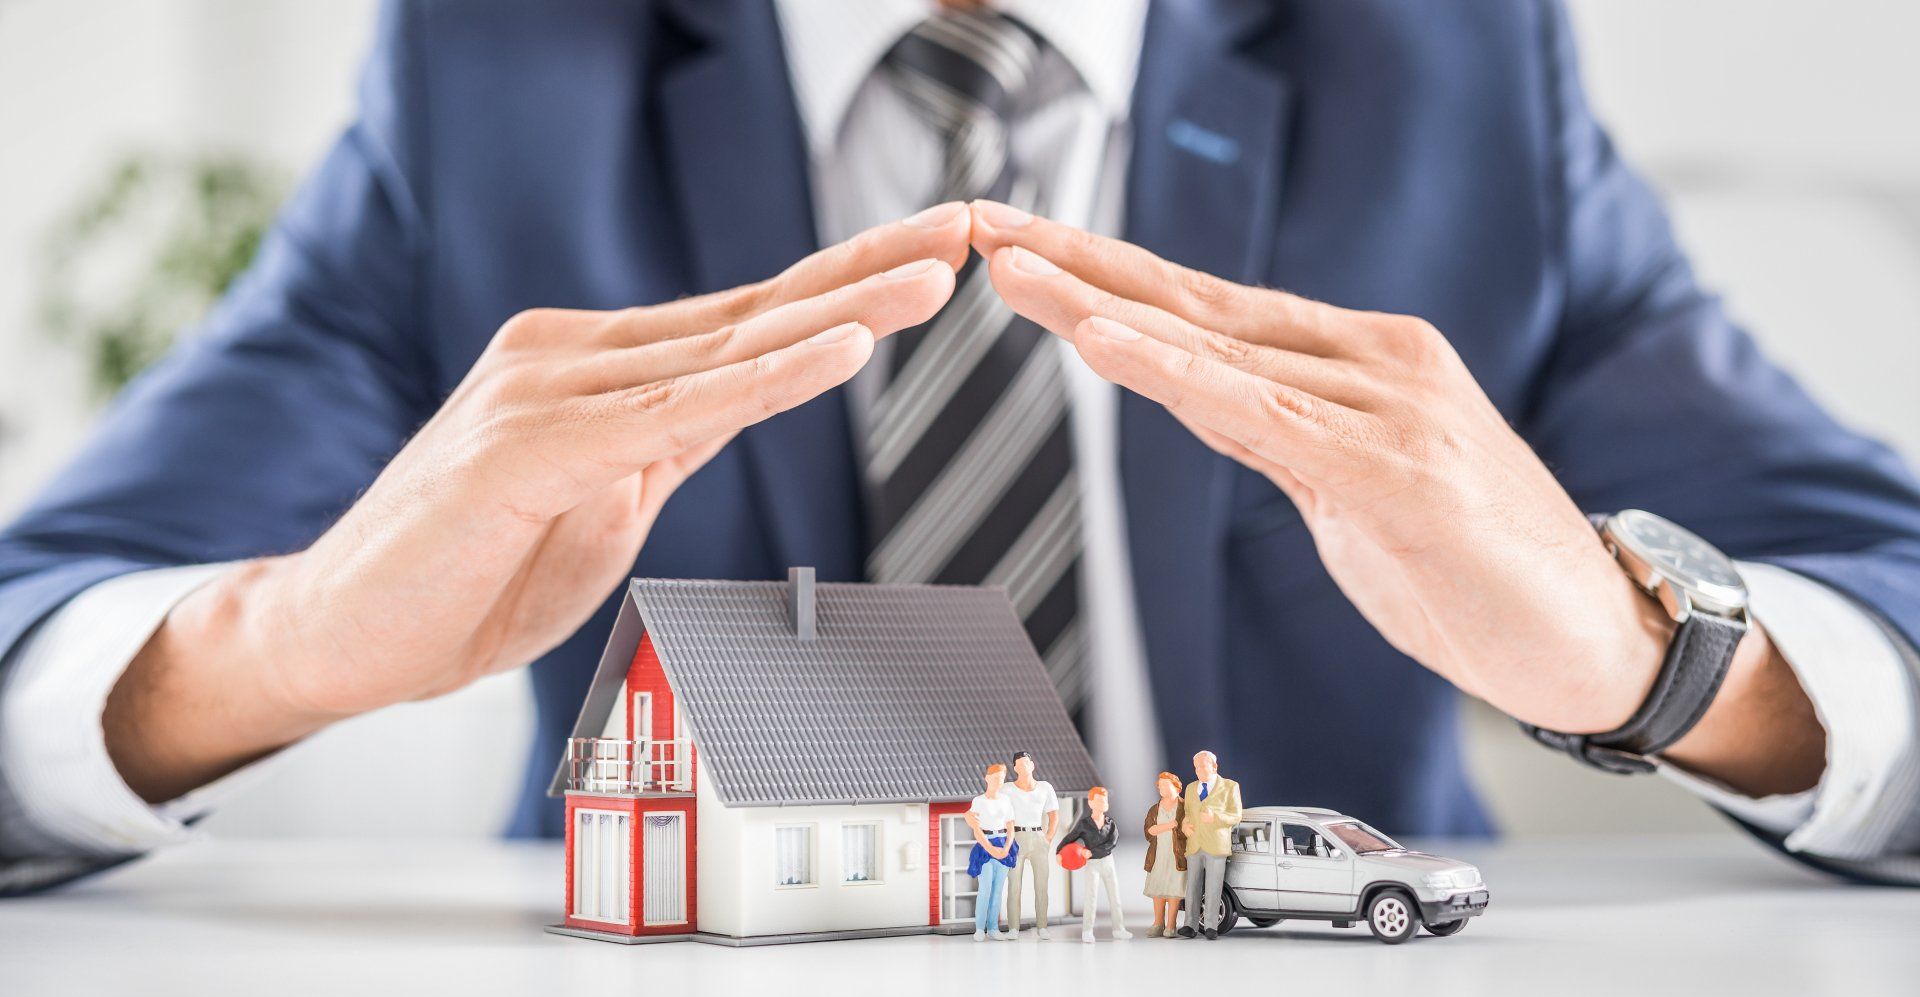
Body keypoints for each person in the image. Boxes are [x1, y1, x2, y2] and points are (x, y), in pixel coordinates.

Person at [6, 0, 1920, 895]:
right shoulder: (489, 65)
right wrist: (279, 648)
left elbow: (1884, 597)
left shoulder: (1458, 60)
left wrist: (1647, 658)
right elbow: (43, 611)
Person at [1178, 751, 1241, 940]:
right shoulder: (1190, 788)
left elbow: (1236, 815)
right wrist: (1184, 825)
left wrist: (1215, 818)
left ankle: (1212, 926)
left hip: (1216, 844)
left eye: (1203, 766)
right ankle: (1190, 924)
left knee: (1214, 887)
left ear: (1214, 767)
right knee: (1192, 886)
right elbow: (1187, 812)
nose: (1199, 770)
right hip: (1195, 844)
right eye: (1196, 767)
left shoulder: (1230, 787)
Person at [1056, 784, 1129, 943]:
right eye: (1099, 801)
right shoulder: (1084, 824)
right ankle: (1087, 931)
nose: (1102, 804)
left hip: (1108, 861)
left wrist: (1092, 852)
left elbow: (1113, 842)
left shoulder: (1110, 823)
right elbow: (1070, 837)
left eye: (1105, 801)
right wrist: (1059, 851)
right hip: (1092, 865)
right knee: (1091, 897)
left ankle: (1119, 928)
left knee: (1115, 896)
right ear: (1090, 803)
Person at [1000, 749, 1060, 938]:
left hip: (1038, 837)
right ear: (1015, 767)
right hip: (1016, 839)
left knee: (1041, 885)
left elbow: (1054, 815)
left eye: (1028, 762)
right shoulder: (1007, 789)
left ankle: (1042, 926)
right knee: (1014, 885)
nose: (1025, 766)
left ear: (1033, 765)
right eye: (1021, 763)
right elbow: (1001, 814)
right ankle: (1013, 928)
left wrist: (1048, 838)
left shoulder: (1045, 788)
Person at [964, 763, 1018, 941]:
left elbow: (1010, 826)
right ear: (987, 779)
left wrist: (1006, 847)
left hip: (1003, 844)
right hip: (986, 847)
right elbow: (976, 829)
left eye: (1002, 779)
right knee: (985, 889)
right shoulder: (978, 801)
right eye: (995, 778)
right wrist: (990, 848)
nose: (999, 782)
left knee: (997, 890)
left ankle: (993, 927)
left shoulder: (1006, 800)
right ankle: (980, 928)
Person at [1142, 772, 1187, 938]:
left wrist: (1167, 827)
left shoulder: (1185, 807)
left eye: (1165, 785)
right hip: (1158, 855)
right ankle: (1158, 922)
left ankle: (1171, 924)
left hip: (1177, 856)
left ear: (1176, 786)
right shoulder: (1155, 809)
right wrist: (1170, 825)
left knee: (1173, 891)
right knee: (1159, 891)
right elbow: (1149, 832)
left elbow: (1187, 830)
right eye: (1160, 785)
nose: (1161, 788)